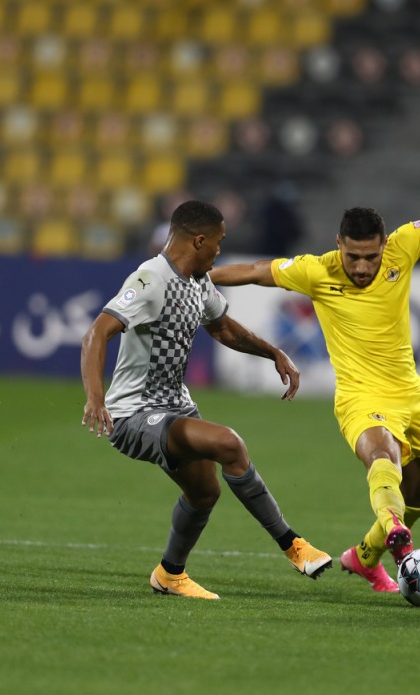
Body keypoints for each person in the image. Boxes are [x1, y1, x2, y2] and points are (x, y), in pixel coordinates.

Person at [210, 117, 420, 593]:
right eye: (354, 257)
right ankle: (394, 535)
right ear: (338, 246)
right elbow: (250, 270)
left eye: (371, 257)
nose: (363, 267)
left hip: (410, 393)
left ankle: (365, 557)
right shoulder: (315, 271)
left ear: (384, 245)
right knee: (382, 456)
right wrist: (191, 275)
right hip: (358, 397)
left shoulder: (402, 251)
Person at [81, 199, 332, 600]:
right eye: (218, 242)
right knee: (228, 443)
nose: (220, 250)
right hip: (133, 414)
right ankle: (293, 545)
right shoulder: (150, 279)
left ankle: (169, 575)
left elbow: (224, 329)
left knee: (204, 493)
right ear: (199, 240)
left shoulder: (198, 281)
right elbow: (97, 332)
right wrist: (95, 397)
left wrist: (273, 353)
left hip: (175, 407)